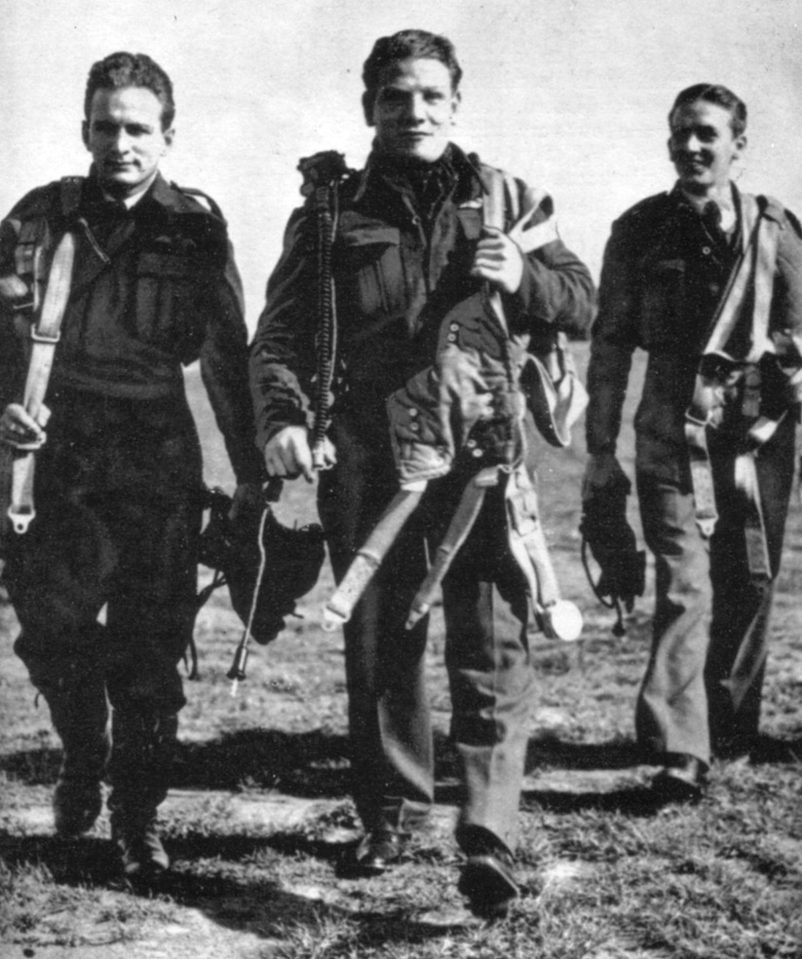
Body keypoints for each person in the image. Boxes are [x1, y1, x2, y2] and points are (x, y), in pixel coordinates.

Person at [250, 29, 593, 916]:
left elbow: (583, 301)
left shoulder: (510, 198)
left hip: (482, 456)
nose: (415, 111)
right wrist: (285, 416)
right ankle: (393, 811)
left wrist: (525, 275)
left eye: (432, 96)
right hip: (369, 458)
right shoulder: (330, 211)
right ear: (371, 107)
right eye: (396, 96)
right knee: (381, 646)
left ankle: (487, 831)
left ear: (456, 103)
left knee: (491, 642)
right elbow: (281, 334)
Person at [0, 52, 263, 879]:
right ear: (85, 129)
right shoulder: (37, 218)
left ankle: (138, 813)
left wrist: (254, 473)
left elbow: (226, 355)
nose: (121, 143)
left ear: (167, 136)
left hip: (154, 450)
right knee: (54, 632)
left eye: (138, 128)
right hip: (53, 450)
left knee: (152, 643)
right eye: (106, 126)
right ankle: (84, 754)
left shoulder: (194, 226)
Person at [584, 84, 802, 802]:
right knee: (684, 584)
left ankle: (728, 727)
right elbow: (611, 346)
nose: (692, 146)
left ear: (739, 144)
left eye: (708, 134)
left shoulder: (777, 230)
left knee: (750, 577)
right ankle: (682, 748)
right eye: (681, 133)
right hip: (670, 435)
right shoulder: (640, 230)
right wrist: (598, 447)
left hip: (757, 436)